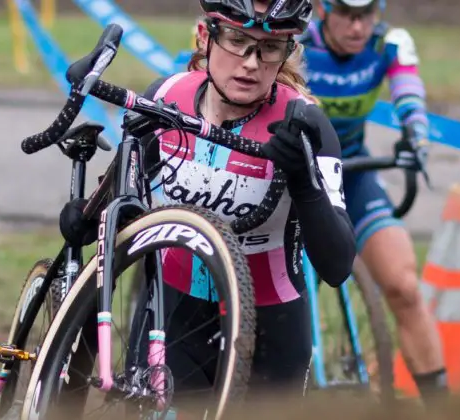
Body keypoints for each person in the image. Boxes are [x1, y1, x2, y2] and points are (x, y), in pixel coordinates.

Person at [125, 0, 356, 411]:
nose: (251, 63)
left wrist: (305, 184)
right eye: (237, 40)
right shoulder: (164, 98)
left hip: (272, 328)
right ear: (204, 36)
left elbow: (338, 265)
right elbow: (123, 203)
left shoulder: (303, 122)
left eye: (270, 47)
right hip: (172, 313)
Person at [296, 0, 448, 403]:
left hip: (352, 173)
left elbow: (408, 92)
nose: (358, 26)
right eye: (347, 14)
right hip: (290, 176)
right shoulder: (295, 41)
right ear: (324, 11)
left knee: (404, 287)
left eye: (367, 15)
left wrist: (416, 132)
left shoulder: (389, 44)